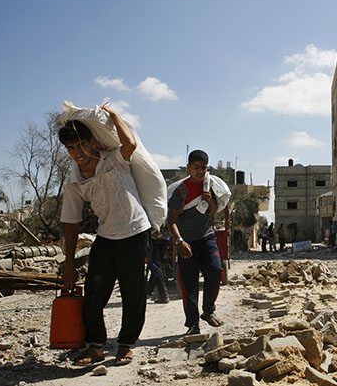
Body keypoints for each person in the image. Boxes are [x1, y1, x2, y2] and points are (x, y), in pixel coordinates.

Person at [59, 107, 150, 367]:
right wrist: (68, 263)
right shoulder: (74, 183)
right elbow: (71, 223)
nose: (77, 152)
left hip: (135, 232)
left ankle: (125, 345)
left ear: (92, 142)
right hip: (106, 237)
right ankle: (96, 346)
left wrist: (114, 117)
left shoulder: (113, 159)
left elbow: (130, 144)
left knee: (133, 293)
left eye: (80, 145)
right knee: (94, 292)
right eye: (71, 148)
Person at [167, 150, 224, 335]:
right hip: (186, 243)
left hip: (206, 237)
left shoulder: (208, 186)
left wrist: (209, 200)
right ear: (189, 167)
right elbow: (171, 221)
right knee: (189, 285)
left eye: (204, 168)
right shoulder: (181, 191)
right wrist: (179, 242)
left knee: (215, 271)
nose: (200, 171)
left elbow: (213, 211)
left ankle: (208, 311)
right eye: (196, 167)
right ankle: (192, 324)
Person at [146, 228, 170, 303]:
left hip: (153, 237)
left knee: (155, 266)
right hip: (165, 236)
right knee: (158, 266)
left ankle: (164, 295)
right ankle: (148, 292)